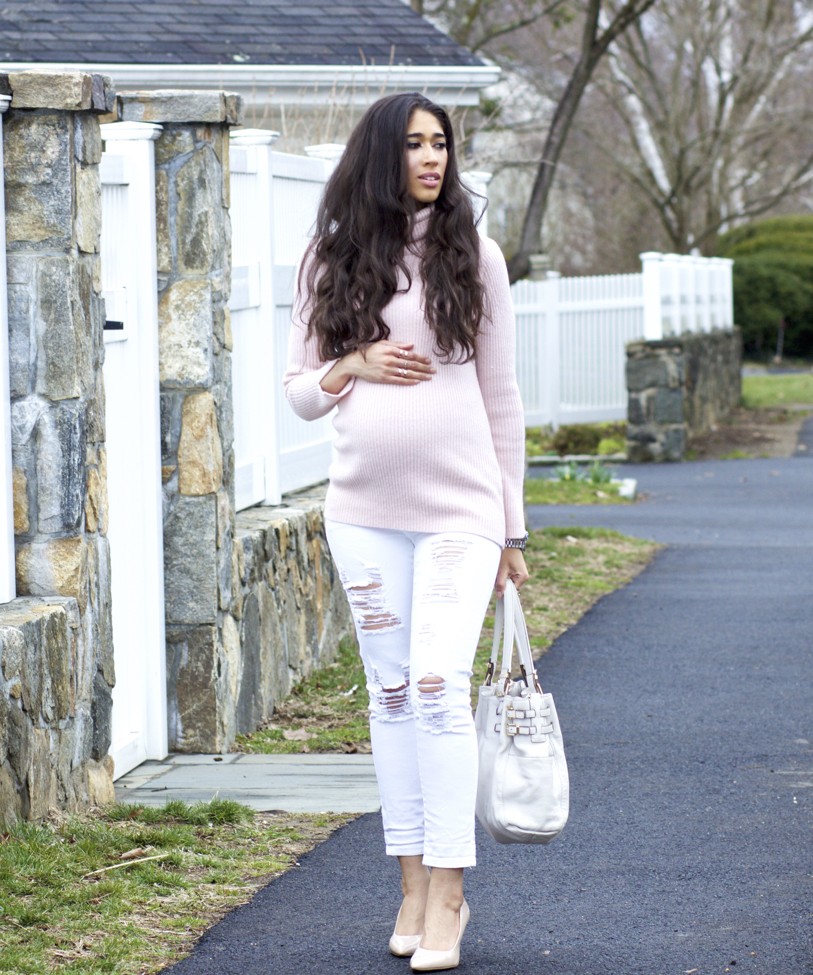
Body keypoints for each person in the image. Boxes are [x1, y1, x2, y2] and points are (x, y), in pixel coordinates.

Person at [284, 91, 528, 972]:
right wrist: (352, 363)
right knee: (388, 697)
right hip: (362, 515)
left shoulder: (477, 255)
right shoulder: (329, 255)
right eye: (416, 144)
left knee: (433, 685)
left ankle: (451, 893)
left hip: (461, 512)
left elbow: (501, 396)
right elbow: (301, 391)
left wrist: (514, 529)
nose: (432, 158)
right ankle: (411, 881)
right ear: (380, 155)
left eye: (442, 144)